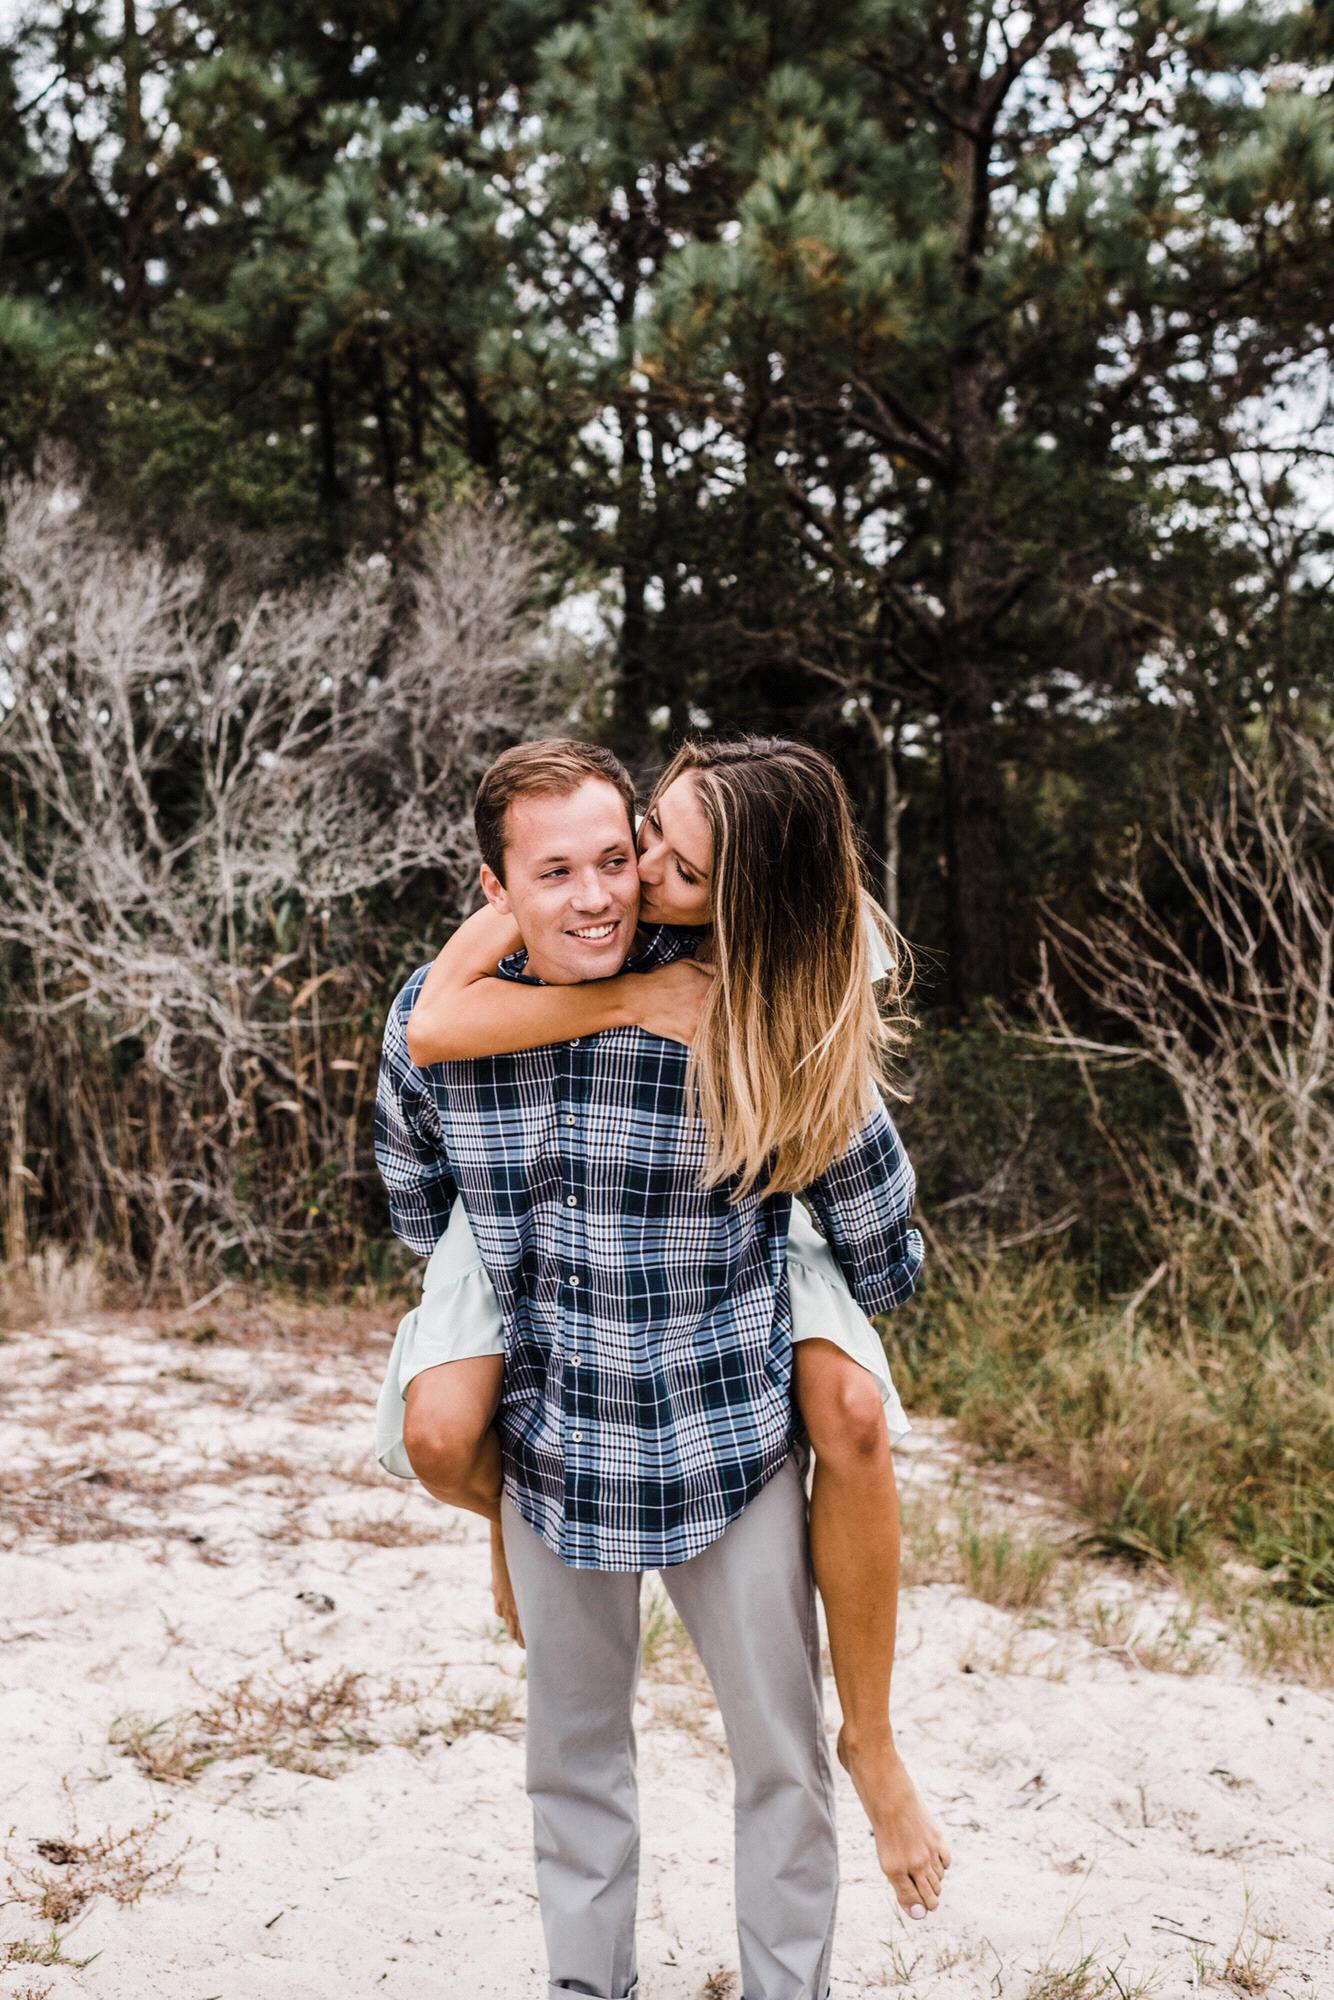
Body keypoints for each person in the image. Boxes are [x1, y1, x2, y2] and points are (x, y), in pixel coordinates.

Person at [375, 737, 947, 2000]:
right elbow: (423, 1206)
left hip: (721, 1432)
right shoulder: (444, 1015)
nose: (604, 891)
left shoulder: (747, 1000)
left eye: (628, 861)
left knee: (780, 1756)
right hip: (551, 1441)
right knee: (571, 1756)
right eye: (562, 870)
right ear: (496, 887)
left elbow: (879, 1245)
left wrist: (821, 1156)